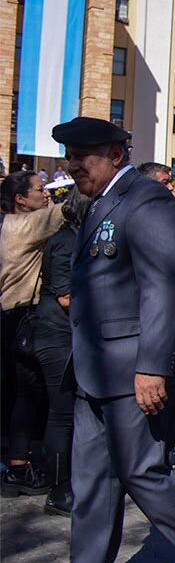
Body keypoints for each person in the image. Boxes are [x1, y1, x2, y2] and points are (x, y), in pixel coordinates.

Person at [52, 117, 175, 563]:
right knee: (92, 483)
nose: (73, 165)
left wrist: (152, 366)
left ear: (115, 155)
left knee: (143, 473)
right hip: (95, 368)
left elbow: (163, 283)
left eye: (83, 155)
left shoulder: (146, 198)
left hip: (137, 367)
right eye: (70, 155)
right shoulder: (98, 204)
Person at [23, 191, 91, 517]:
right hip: (56, 335)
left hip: (68, 335)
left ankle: (74, 482)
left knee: (72, 414)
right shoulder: (65, 241)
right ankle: (59, 489)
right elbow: (65, 296)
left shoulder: (76, 238)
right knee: (61, 414)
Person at [0, 170, 65, 496]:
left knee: (17, 392)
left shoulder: (6, 224)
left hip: (9, 316)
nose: (47, 194)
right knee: (26, 394)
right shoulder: (25, 224)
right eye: (41, 190)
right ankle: (18, 466)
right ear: (20, 200)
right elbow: (67, 210)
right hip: (20, 318)